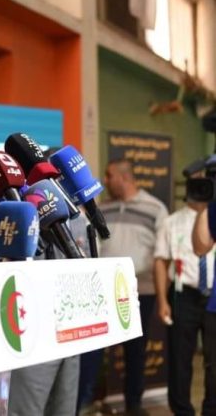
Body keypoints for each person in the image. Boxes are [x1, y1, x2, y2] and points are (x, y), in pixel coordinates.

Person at [80, 159, 168, 415]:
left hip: (140, 291)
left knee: (135, 351)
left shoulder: (155, 208)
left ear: (124, 177)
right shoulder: (103, 208)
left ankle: (134, 405)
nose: (105, 181)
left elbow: (162, 254)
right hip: (103, 290)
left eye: (109, 176)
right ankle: (89, 403)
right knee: (95, 350)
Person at [154, 195, 215, 416]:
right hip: (183, 294)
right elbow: (161, 261)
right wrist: (162, 300)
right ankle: (182, 411)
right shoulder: (171, 222)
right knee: (180, 359)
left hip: (214, 295)